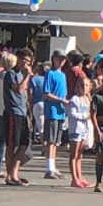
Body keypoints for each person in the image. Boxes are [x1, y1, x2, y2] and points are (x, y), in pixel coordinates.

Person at [2, 48, 33, 187]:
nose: (25, 64)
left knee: (24, 143)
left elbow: (26, 94)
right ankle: (10, 175)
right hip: (12, 112)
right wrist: (27, 76)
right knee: (11, 145)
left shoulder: (22, 74)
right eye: (24, 60)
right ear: (18, 59)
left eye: (28, 62)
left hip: (22, 112)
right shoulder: (11, 73)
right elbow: (19, 90)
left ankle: (14, 172)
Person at [42, 51, 68, 179]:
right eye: (59, 59)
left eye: (63, 59)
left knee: (56, 141)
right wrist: (60, 100)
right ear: (54, 59)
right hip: (52, 111)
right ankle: (49, 168)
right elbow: (46, 93)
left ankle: (53, 166)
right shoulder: (50, 74)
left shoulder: (63, 75)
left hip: (61, 112)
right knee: (51, 141)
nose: (62, 61)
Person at [66, 75, 92, 188]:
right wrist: (85, 116)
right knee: (74, 154)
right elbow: (72, 114)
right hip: (76, 129)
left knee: (80, 155)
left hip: (84, 130)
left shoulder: (87, 99)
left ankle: (80, 177)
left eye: (86, 85)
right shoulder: (75, 99)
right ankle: (74, 178)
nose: (84, 87)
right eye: (82, 85)